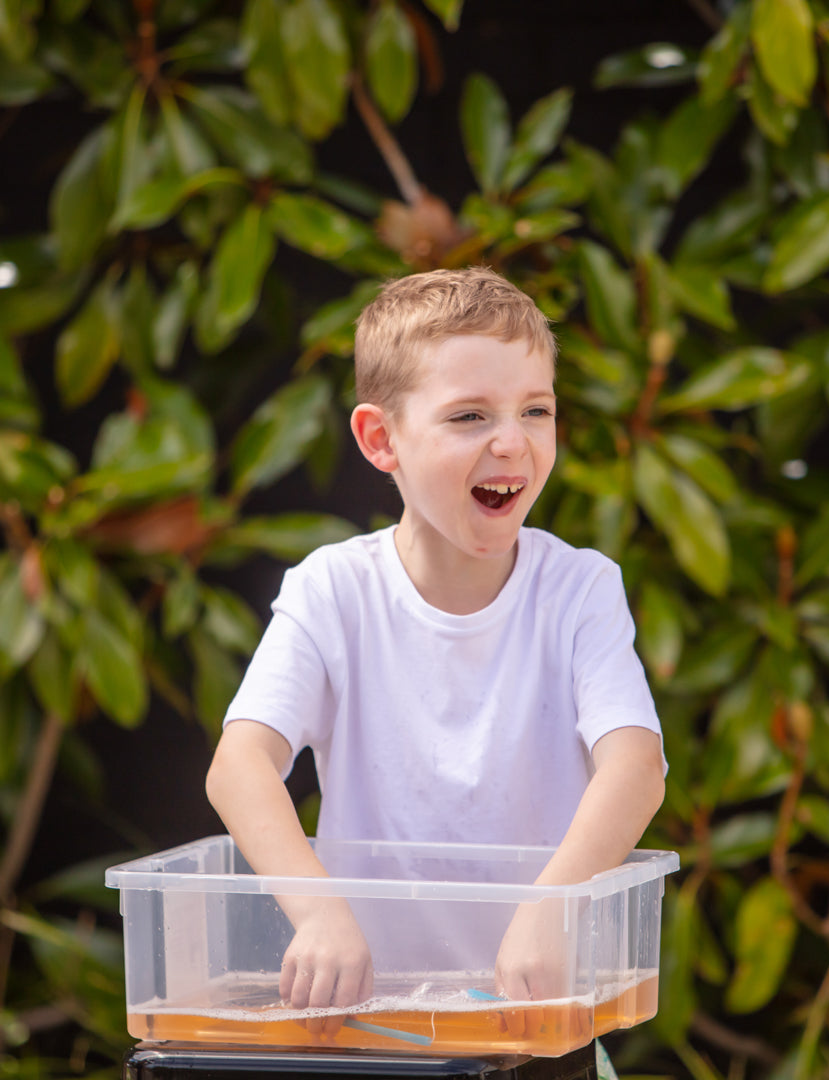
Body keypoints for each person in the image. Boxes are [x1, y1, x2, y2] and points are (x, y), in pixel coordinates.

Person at [205, 266, 666, 1036]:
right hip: (371, 1027)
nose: (512, 441)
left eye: (536, 409)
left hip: (531, 1029)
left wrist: (551, 911)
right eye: (469, 416)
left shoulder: (581, 589)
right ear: (381, 439)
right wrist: (318, 915)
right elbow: (239, 764)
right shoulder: (333, 592)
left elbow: (636, 769)